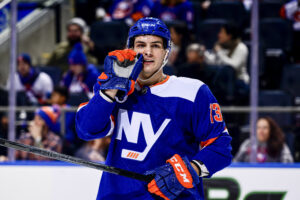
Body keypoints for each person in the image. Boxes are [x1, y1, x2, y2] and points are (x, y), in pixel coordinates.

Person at [75, 17, 232, 200]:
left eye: (156, 46)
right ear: (130, 50)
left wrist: (191, 169)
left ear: (166, 52)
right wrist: (109, 90)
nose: (148, 52)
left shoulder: (193, 92)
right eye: (140, 45)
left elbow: (221, 148)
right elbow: (86, 130)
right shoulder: (114, 88)